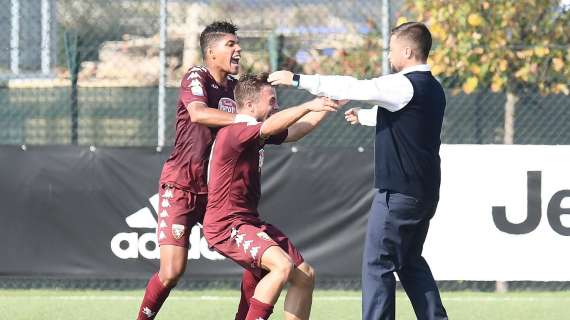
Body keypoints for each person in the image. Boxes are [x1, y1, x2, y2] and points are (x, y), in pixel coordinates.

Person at [268, 22, 448, 320]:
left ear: (407, 50)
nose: (389, 56)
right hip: (424, 193)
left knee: (377, 264)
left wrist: (298, 79)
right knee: (410, 262)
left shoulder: (403, 84)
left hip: (398, 193)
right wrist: (366, 117)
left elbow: (354, 86)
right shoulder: (433, 89)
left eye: (392, 49)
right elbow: (408, 120)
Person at [136, 21, 255, 320]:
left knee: (259, 261)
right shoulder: (196, 76)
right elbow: (198, 113)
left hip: (218, 193)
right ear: (211, 52)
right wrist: (244, 120)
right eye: (231, 44)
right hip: (182, 186)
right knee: (172, 271)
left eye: (237, 44)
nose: (238, 48)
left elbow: (258, 118)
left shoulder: (235, 88)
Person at [204, 73, 342, 320]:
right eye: (271, 101)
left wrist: (327, 105)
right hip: (226, 224)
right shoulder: (236, 130)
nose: (276, 106)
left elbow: (295, 131)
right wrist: (308, 104)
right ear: (249, 105)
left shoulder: (254, 132)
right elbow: (272, 125)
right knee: (281, 266)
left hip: (248, 222)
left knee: (305, 276)